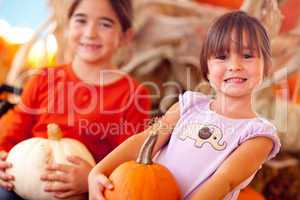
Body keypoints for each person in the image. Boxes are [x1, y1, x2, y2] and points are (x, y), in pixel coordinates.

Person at [88, 11, 281, 200]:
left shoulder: (258, 134)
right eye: (222, 57)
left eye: (247, 56)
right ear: (206, 68)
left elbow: (224, 181)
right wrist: (98, 171)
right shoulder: (189, 105)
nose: (234, 65)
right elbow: (147, 139)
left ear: (267, 66)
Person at [0, 0, 151, 199]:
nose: (90, 33)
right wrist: (2, 155)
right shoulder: (43, 78)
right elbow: (13, 130)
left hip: (83, 192)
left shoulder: (133, 94)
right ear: (67, 26)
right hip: (23, 184)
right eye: (81, 21)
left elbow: (129, 161)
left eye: (105, 24)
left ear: (125, 36)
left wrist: (92, 176)